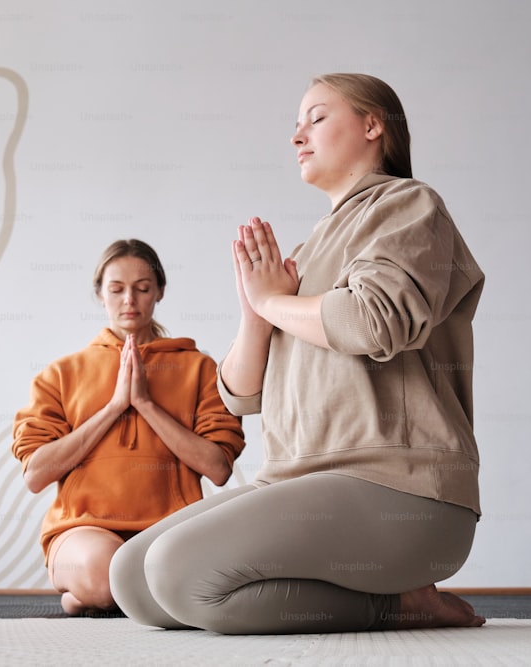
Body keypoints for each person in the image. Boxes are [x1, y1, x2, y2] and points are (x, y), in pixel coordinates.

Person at [110, 73, 486, 633]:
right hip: (296, 480)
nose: (297, 137)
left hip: (400, 487)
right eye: (295, 125)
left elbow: (372, 321)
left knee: (176, 572)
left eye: (315, 118)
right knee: (133, 579)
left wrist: (274, 300)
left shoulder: (409, 205)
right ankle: (390, 599)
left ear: (372, 125)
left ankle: (402, 603)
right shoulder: (309, 252)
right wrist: (256, 312)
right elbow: (240, 397)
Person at [12, 239, 246, 616]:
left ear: (160, 292)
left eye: (142, 289)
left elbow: (217, 468)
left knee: (213, 585)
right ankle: (96, 593)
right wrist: (115, 407)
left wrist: (147, 405)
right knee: (106, 579)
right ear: (100, 294)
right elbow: (36, 475)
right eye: (117, 290)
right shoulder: (60, 374)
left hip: (170, 529)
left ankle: (102, 599)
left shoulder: (199, 369)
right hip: (84, 528)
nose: (129, 301)